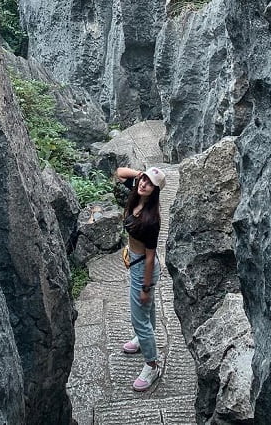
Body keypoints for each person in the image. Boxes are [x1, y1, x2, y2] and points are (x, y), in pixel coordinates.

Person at [115, 165, 167, 392]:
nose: (144, 184)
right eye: (143, 180)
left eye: (149, 184)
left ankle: (152, 365)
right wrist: (141, 176)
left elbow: (150, 256)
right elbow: (120, 172)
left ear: (156, 191)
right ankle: (142, 338)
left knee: (139, 319)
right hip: (137, 264)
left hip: (143, 268)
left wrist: (145, 287)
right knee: (147, 312)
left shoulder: (151, 219)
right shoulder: (136, 194)